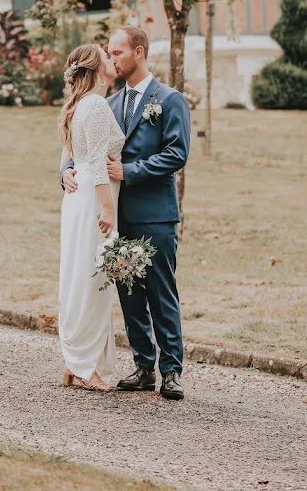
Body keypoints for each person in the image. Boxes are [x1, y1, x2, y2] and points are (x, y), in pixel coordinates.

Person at [63, 25, 190, 401]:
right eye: (109, 53)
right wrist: (65, 171)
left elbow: (176, 154)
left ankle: (171, 371)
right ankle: (142, 365)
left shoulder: (169, 100)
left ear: (138, 52)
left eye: (117, 52)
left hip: (155, 213)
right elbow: (81, 148)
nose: (112, 57)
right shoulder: (109, 102)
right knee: (128, 293)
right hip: (116, 215)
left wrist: (129, 171)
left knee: (161, 292)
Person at [58, 42, 125, 391]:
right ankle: (85, 365)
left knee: (81, 274)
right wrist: (108, 208)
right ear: (96, 66)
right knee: (94, 280)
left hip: (77, 197)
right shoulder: (96, 104)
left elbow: (76, 157)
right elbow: (97, 163)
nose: (111, 58)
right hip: (93, 199)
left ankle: (78, 361)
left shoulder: (78, 105)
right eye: (105, 54)